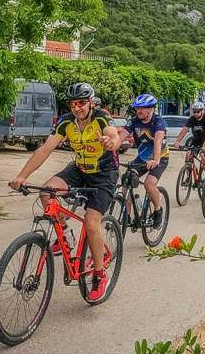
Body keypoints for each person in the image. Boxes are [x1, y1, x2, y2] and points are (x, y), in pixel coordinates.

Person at [9, 82, 119, 302]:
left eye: (81, 103)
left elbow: (113, 136)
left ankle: (99, 275)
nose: (77, 108)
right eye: (72, 104)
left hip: (104, 173)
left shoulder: (101, 118)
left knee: (91, 222)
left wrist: (110, 141)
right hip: (79, 169)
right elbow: (45, 149)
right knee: (46, 193)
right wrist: (22, 176)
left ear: (90, 102)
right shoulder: (66, 122)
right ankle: (65, 235)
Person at [119, 94, 168, 228]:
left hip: (160, 157)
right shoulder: (134, 121)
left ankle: (158, 210)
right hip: (141, 158)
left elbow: (158, 141)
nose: (138, 111)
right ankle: (126, 216)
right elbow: (120, 137)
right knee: (126, 182)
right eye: (137, 108)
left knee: (149, 184)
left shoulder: (158, 122)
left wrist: (155, 159)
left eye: (142, 108)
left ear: (151, 109)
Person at [173, 101, 205, 182]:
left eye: (197, 111)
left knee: (203, 157)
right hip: (196, 140)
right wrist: (177, 141)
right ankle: (190, 177)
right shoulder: (192, 119)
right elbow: (184, 130)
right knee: (188, 155)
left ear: (202, 111)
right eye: (194, 111)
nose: (195, 113)